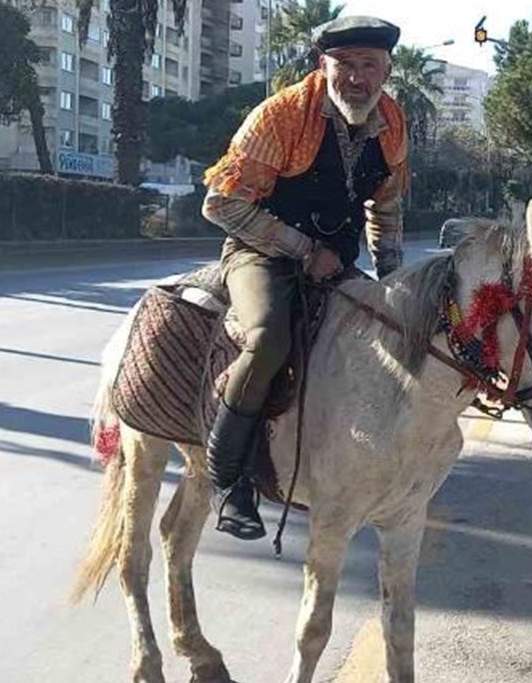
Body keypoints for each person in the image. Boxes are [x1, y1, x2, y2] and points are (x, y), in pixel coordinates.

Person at [198, 16, 409, 540]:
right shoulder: (280, 115)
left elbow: (386, 207)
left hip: (335, 261)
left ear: (386, 69)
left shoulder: (393, 122)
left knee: (391, 338)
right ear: (323, 65)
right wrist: (303, 250)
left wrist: (394, 278)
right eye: (345, 65)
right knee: (269, 340)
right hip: (260, 254)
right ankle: (228, 481)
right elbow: (220, 203)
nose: (357, 78)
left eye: (369, 66)